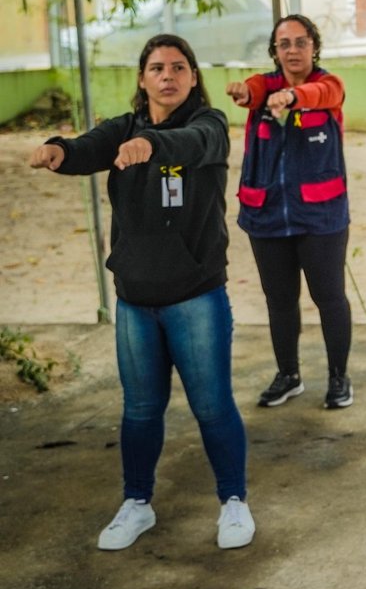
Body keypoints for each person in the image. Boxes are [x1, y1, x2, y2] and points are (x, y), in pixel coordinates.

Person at [29, 34, 254, 550]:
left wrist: (152, 144)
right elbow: (88, 147)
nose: (168, 75)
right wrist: (57, 151)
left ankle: (234, 501)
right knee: (139, 409)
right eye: (157, 68)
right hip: (134, 299)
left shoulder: (210, 125)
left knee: (213, 405)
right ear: (142, 78)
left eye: (178, 67)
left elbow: (192, 145)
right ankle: (137, 503)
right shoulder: (123, 129)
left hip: (195, 296)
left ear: (194, 77)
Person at [226, 15, 355, 410]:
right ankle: (289, 375)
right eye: (285, 44)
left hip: (321, 218)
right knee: (279, 301)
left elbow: (322, 92)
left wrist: (293, 98)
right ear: (275, 51)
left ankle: (338, 377)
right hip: (266, 215)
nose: (293, 50)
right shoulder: (264, 85)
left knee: (329, 297)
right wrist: (243, 91)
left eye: (301, 42)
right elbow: (251, 90)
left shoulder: (329, 86)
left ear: (314, 47)